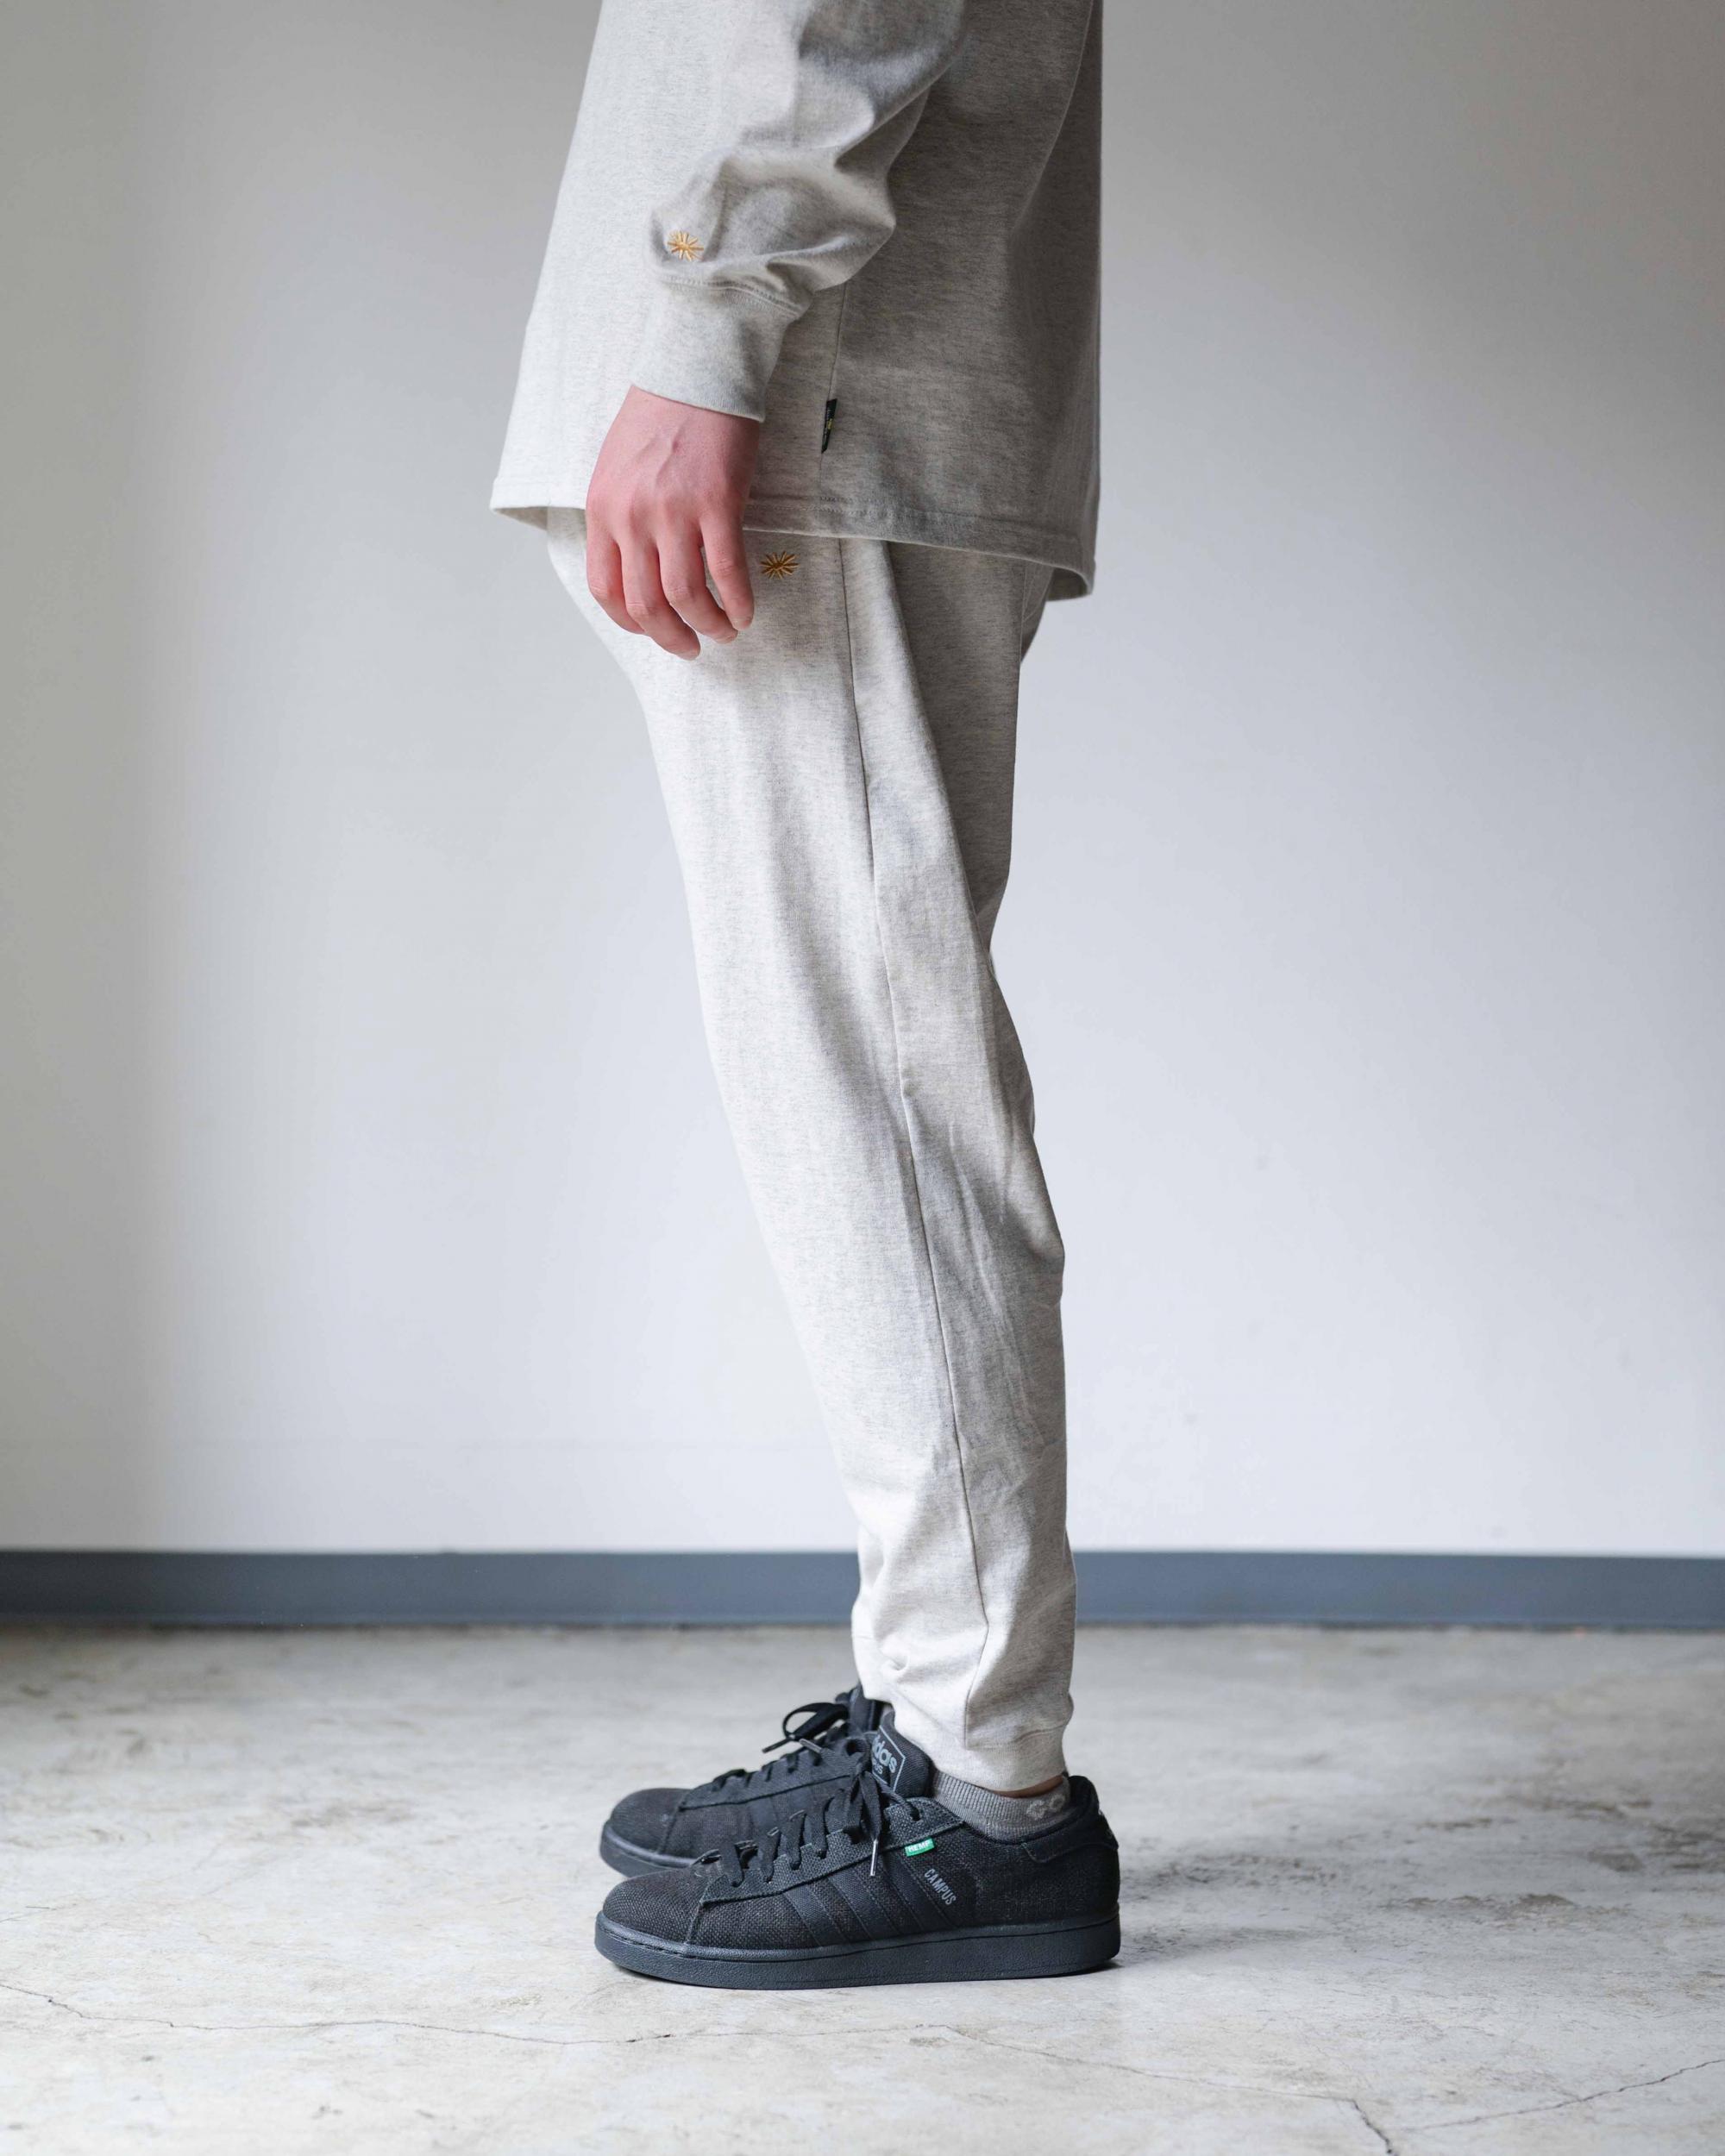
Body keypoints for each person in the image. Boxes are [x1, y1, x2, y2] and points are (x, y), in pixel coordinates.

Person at [492, 0, 1117, 1987]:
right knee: (842, 1073)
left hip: (817, 375)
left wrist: (709, 327)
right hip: (824, 371)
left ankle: (980, 1783)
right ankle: (938, 1709)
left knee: (873, 1088)